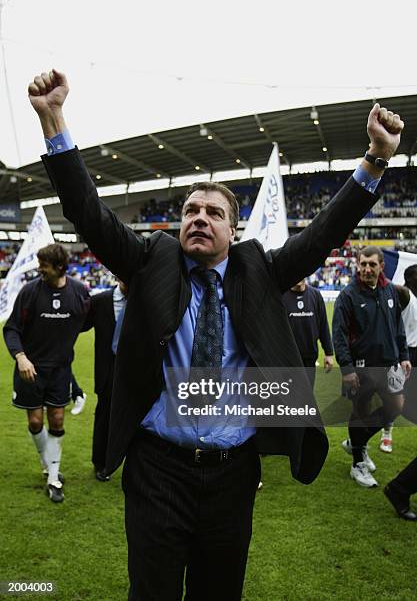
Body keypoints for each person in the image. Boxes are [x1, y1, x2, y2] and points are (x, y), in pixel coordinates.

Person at [29, 68, 404, 600]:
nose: (198, 219)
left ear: (234, 229)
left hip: (233, 475)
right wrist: (53, 119)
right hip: (157, 467)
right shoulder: (152, 258)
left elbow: (323, 234)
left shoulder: (258, 267)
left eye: (213, 212)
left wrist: (375, 158)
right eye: (190, 211)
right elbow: (88, 213)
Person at [3, 243, 90, 502]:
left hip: (60, 371)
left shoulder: (79, 293)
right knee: (35, 422)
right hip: (30, 368)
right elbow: (11, 329)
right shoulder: (30, 292)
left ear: (59, 267)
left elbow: (84, 322)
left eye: (44, 265)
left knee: (57, 420)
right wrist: (21, 357)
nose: (39, 269)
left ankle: (54, 477)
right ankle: (47, 461)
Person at [332, 246, 411, 488]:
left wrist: (404, 355)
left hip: (390, 365)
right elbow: (339, 335)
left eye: (372, 265)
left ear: (381, 266)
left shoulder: (389, 290)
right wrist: (347, 369)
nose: (367, 269)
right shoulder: (348, 295)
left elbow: (398, 327)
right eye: (363, 264)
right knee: (360, 413)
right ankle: (358, 464)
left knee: (396, 406)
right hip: (361, 368)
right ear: (357, 264)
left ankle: (357, 442)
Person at [82, 278, 127, 481]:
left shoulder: (143, 298)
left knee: (137, 419)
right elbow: (79, 324)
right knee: (104, 417)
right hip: (106, 370)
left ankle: (136, 464)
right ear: (116, 277)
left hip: (134, 371)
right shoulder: (99, 301)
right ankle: (101, 463)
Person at [384, 264, 417, 519]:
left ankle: (358, 441)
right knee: (391, 408)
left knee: (391, 408)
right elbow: (394, 289)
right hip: (407, 361)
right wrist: (375, 271)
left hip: (408, 359)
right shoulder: (405, 295)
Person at [282, 278, 333, 387]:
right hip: (288, 360)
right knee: (289, 398)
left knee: (307, 396)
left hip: (310, 359)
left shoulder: (316, 295)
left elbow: (323, 326)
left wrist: (328, 353)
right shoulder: (282, 296)